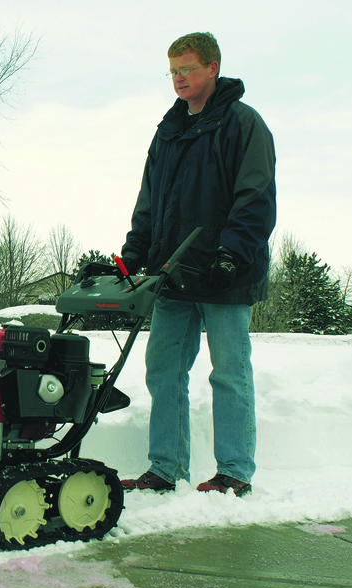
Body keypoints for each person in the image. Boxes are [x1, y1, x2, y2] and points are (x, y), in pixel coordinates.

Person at [119, 32, 276, 497]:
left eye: (187, 68)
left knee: (229, 372)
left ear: (213, 67)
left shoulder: (243, 124)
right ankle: (165, 469)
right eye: (172, 71)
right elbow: (150, 201)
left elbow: (255, 198)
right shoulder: (167, 133)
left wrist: (231, 256)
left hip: (226, 275)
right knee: (163, 370)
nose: (179, 78)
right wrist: (134, 251)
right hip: (173, 275)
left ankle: (234, 471)